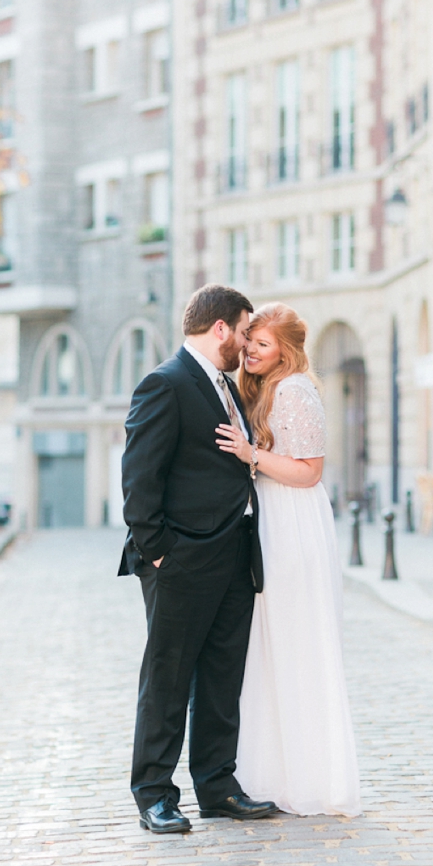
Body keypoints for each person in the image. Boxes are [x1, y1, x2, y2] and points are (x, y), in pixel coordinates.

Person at [119, 284, 279, 834]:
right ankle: (155, 794)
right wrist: (160, 553)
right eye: (243, 329)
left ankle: (216, 786)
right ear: (220, 329)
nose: (246, 341)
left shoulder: (225, 388)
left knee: (220, 677)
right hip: (181, 561)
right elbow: (140, 480)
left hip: (234, 557)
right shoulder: (165, 383)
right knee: (168, 677)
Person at [215, 303, 361, 817]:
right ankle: (270, 772)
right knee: (269, 647)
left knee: (297, 642)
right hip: (272, 518)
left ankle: (310, 778)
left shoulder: (296, 390)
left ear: (286, 350)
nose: (250, 350)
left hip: (295, 523)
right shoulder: (262, 388)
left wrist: (249, 454)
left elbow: (309, 471)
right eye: (250, 340)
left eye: (262, 344)